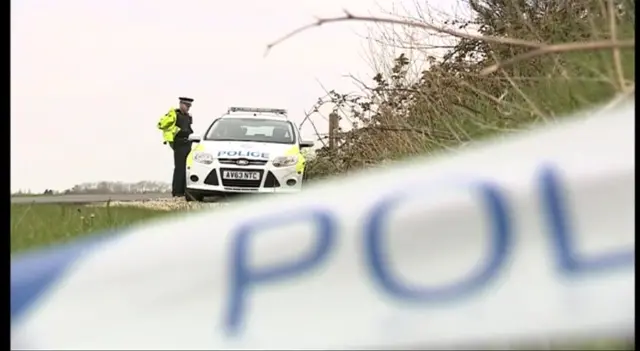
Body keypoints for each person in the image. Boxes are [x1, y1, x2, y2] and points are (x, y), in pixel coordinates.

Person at [157, 97, 195, 197]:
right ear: (181, 104)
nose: (188, 108)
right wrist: (176, 130)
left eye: (189, 106)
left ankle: (184, 191)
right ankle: (177, 192)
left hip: (188, 143)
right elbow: (161, 125)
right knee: (179, 168)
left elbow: (189, 128)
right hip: (179, 143)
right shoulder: (174, 114)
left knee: (187, 167)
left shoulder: (188, 117)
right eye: (187, 106)